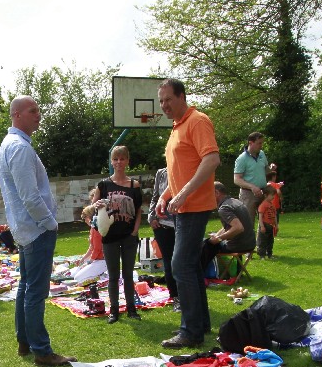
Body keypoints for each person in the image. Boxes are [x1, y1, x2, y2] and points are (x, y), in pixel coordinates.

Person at [0, 96, 75, 366]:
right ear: (17, 114)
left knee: (26, 287)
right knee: (36, 292)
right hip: (36, 229)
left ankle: (25, 342)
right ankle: (41, 350)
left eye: (38, 110)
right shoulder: (19, 147)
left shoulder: (11, 144)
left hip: (25, 229)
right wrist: (50, 223)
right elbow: (30, 197)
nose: (38, 115)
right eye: (33, 111)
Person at [156, 79, 221, 349]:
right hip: (182, 207)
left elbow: (212, 159)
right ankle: (200, 324)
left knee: (180, 265)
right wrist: (166, 195)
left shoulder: (197, 121)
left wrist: (182, 194)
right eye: (161, 101)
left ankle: (190, 331)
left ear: (182, 96)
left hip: (194, 207)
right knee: (190, 266)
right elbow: (180, 172)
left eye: (168, 99)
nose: (164, 105)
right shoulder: (176, 128)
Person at [86, 145, 143, 324]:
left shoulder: (134, 185)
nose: (119, 162)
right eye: (115, 159)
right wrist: (95, 207)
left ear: (127, 161)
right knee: (113, 275)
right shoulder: (103, 185)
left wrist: (135, 231)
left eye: (122, 159)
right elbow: (90, 210)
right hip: (109, 237)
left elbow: (139, 210)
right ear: (111, 162)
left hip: (129, 236)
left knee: (128, 274)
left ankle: (131, 309)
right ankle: (114, 311)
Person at [198, 182, 255, 272]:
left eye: (208, 194)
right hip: (250, 244)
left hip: (238, 246)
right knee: (211, 241)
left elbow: (238, 228)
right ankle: (237, 272)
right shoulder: (235, 202)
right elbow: (228, 227)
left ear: (217, 193)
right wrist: (217, 235)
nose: (207, 197)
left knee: (206, 245)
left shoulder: (224, 208)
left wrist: (218, 239)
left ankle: (199, 273)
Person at [147, 166, 179, 310]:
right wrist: (151, 216)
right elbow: (155, 197)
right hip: (162, 225)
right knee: (168, 260)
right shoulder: (161, 173)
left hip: (181, 223)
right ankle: (175, 296)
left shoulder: (183, 169)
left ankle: (188, 295)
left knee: (181, 261)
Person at [255, 185, 279, 260]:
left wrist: (276, 225)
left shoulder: (272, 205)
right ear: (266, 195)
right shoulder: (263, 205)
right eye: (272, 195)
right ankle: (262, 255)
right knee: (262, 241)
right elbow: (260, 216)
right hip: (265, 225)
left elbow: (274, 215)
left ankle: (269, 254)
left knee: (270, 241)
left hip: (271, 226)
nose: (273, 197)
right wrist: (262, 226)